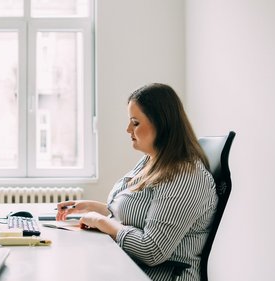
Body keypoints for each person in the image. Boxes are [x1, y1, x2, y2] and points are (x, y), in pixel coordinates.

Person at [57, 83, 217, 281]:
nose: (128, 129)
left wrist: (101, 221)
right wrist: (95, 209)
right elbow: (140, 216)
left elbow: (152, 250)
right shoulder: (153, 160)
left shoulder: (186, 177)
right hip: (131, 268)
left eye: (135, 122)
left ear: (161, 124)